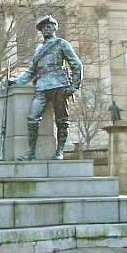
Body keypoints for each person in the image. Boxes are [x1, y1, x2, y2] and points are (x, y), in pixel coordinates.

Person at [10, 15, 82, 160]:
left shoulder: (61, 44)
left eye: (50, 26)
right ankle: (31, 152)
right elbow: (31, 71)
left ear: (55, 27)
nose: (47, 29)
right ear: (41, 31)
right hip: (42, 86)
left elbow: (77, 64)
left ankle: (59, 151)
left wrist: (74, 85)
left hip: (59, 85)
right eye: (44, 27)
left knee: (62, 120)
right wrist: (15, 82)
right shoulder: (38, 50)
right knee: (32, 118)